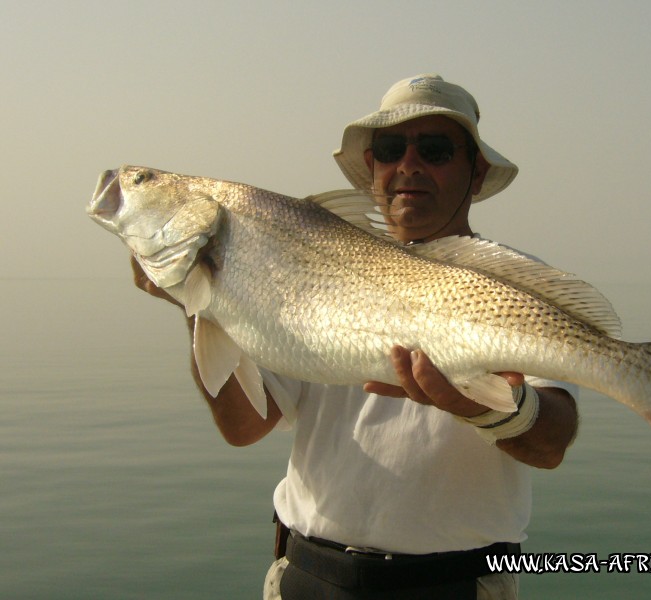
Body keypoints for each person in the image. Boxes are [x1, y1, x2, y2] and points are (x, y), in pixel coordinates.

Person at [133, 74, 578, 599]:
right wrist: (200, 300)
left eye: (434, 149)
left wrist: (485, 408)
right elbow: (245, 425)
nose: (408, 165)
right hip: (306, 577)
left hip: (450, 587)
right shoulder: (292, 268)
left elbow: (552, 441)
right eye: (390, 149)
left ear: (475, 171)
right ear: (372, 168)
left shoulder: (512, 285)